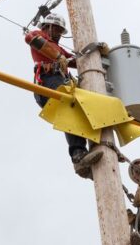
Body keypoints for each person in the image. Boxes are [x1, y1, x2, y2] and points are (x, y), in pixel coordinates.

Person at [24, 12, 101, 178]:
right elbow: (30, 38)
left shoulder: (59, 48)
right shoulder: (40, 36)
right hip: (47, 81)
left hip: (62, 82)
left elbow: (77, 61)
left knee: (79, 112)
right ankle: (78, 155)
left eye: (60, 31)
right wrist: (58, 56)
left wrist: (99, 54)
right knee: (70, 106)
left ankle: (85, 161)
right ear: (47, 27)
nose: (59, 34)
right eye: (57, 29)